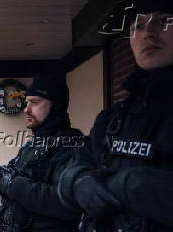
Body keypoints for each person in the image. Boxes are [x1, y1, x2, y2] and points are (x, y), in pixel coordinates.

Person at [57, 0, 173, 231]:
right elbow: (74, 164)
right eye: (138, 26)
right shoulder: (112, 119)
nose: (148, 33)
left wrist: (132, 186)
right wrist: (77, 181)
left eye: (164, 22)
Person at [0, 74, 84, 232]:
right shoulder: (34, 143)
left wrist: (12, 184)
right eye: (26, 102)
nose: (26, 109)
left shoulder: (72, 143)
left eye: (35, 102)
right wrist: (0, 179)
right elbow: (22, 177)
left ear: (56, 105)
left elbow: (69, 204)